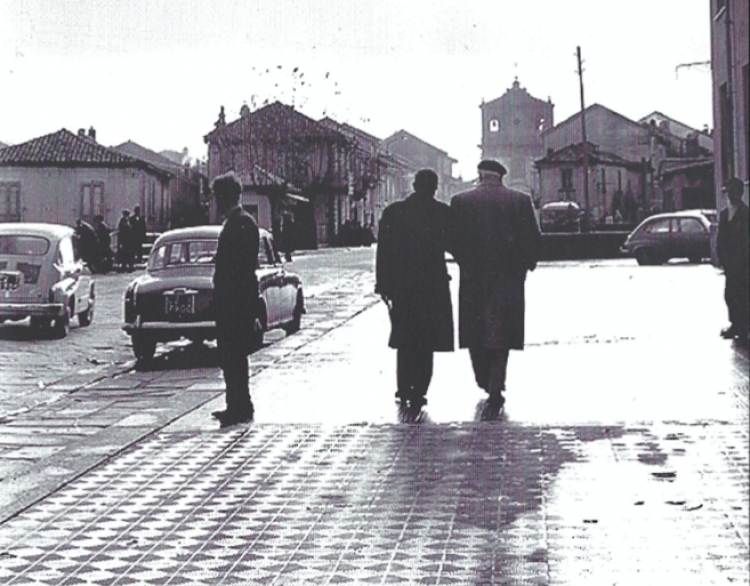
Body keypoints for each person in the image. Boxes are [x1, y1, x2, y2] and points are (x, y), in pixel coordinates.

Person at [451, 159, 541, 408]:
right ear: (500, 177)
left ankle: (482, 377)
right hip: (509, 278)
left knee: (475, 330)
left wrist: (465, 261)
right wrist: (525, 265)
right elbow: (533, 239)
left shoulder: (461, 201)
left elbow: (453, 239)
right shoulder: (520, 201)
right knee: (502, 331)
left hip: (473, 278)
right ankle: (496, 382)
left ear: (480, 176)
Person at [375, 169, 455, 408]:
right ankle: (420, 389)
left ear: (414, 186)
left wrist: (383, 285)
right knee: (427, 340)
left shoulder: (393, 213)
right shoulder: (442, 213)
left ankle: (404, 386)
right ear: (435, 188)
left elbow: (383, 253)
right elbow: (456, 245)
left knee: (405, 337)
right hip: (433, 286)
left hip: (402, 287)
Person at [210, 171, 259, 426]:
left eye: (217, 198)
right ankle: (237, 404)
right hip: (234, 302)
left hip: (235, 304)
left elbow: (240, 269)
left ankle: (240, 406)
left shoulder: (240, 224)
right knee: (232, 358)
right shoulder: (241, 223)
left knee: (234, 357)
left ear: (223, 197)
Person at [717, 177, 749, 343]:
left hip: (742, 264)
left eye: (733, 192)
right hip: (729, 263)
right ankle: (734, 323)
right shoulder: (724, 214)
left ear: (740, 193)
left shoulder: (745, 214)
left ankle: (742, 326)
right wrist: (722, 258)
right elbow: (720, 238)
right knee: (729, 294)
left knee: (742, 295)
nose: (730, 195)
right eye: (728, 192)